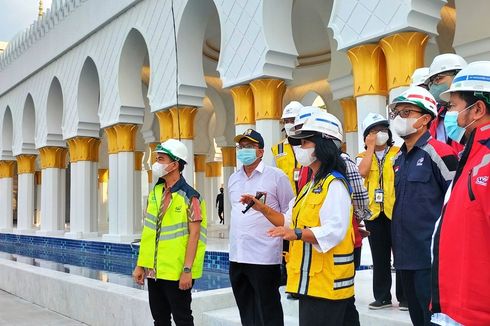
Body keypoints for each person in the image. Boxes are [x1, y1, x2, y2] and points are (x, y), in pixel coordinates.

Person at [242, 111, 360, 326]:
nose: (299, 148)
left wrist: (296, 234)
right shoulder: (310, 186)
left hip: (328, 285)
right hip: (312, 284)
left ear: (324, 145)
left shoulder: (334, 185)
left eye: (305, 142)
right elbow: (289, 220)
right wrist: (262, 209)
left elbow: (334, 231)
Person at [388, 86, 459, 326]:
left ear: (425, 118)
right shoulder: (398, 158)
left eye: (406, 112)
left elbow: (456, 201)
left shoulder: (440, 152)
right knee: (417, 318)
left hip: (431, 256)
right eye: (396, 112)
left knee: (433, 319)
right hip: (405, 254)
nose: (399, 118)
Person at [431, 61, 490, 326]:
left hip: (475, 313)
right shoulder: (472, 155)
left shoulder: (486, 160)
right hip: (457, 306)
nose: (449, 115)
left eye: (453, 106)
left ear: (477, 109)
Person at [133, 139, 207, 326]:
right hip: (154, 272)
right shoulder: (155, 193)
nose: (156, 164)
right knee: (160, 320)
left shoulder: (191, 197)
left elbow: (195, 236)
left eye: (161, 159)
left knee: (183, 319)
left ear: (175, 165)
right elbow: (149, 232)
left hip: (176, 273)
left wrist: (187, 271)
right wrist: (141, 265)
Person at [228, 128, 294, 326]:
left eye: (249, 146)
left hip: (264, 256)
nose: (243, 150)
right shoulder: (233, 178)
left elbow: (289, 213)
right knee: (246, 309)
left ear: (261, 151)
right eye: (240, 146)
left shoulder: (276, 176)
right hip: (238, 255)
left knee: (268, 309)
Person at [357, 113, 406, 310]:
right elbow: (362, 172)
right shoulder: (362, 156)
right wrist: (370, 148)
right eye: (375, 130)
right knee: (380, 256)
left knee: (401, 255)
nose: (380, 134)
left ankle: (405, 297)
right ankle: (382, 296)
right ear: (367, 134)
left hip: (396, 210)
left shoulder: (398, 151)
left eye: (383, 129)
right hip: (374, 213)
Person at [426, 53, 467, 152]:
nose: (433, 87)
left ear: (458, 76)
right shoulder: (434, 119)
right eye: (431, 83)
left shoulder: (476, 111)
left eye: (438, 79)